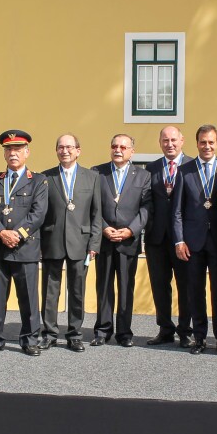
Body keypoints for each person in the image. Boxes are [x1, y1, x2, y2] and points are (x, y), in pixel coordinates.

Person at [0, 130, 49, 356]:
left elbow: (38, 214)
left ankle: (29, 339)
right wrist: (2, 233)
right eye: (8, 149)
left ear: (27, 152)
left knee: (28, 297)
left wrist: (16, 234)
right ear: (4, 154)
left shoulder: (38, 181)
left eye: (18, 149)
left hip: (25, 248)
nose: (13, 153)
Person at [171, 124, 217, 354]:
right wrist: (179, 240)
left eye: (211, 142)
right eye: (202, 142)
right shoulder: (184, 170)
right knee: (194, 291)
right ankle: (199, 338)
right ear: (196, 143)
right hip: (192, 242)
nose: (206, 146)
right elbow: (177, 210)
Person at [40, 134, 102, 352]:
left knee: (77, 290)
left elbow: (97, 214)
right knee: (50, 291)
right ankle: (48, 333)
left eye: (69, 147)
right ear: (56, 150)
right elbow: (40, 213)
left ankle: (74, 334)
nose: (64, 151)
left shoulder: (92, 177)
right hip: (52, 240)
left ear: (78, 150)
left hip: (81, 243)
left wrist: (95, 244)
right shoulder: (45, 177)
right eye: (60, 147)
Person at [93, 134, 152, 347]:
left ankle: (124, 332)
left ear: (132, 152)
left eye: (123, 147)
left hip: (128, 241)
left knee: (126, 287)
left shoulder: (143, 176)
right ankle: (102, 330)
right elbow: (93, 207)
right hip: (105, 239)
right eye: (114, 146)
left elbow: (146, 208)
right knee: (104, 286)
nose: (118, 150)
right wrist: (103, 227)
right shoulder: (97, 172)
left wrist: (130, 230)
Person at [144, 126, 192, 347]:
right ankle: (165, 328)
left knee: (185, 285)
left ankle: (185, 331)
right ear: (160, 142)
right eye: (165, 140)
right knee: (160, 285)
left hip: (184, 239)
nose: (169, 144)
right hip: (157, 238)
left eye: (173, 140)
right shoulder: (151, 168)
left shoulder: (192, 166)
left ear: (182, 141)